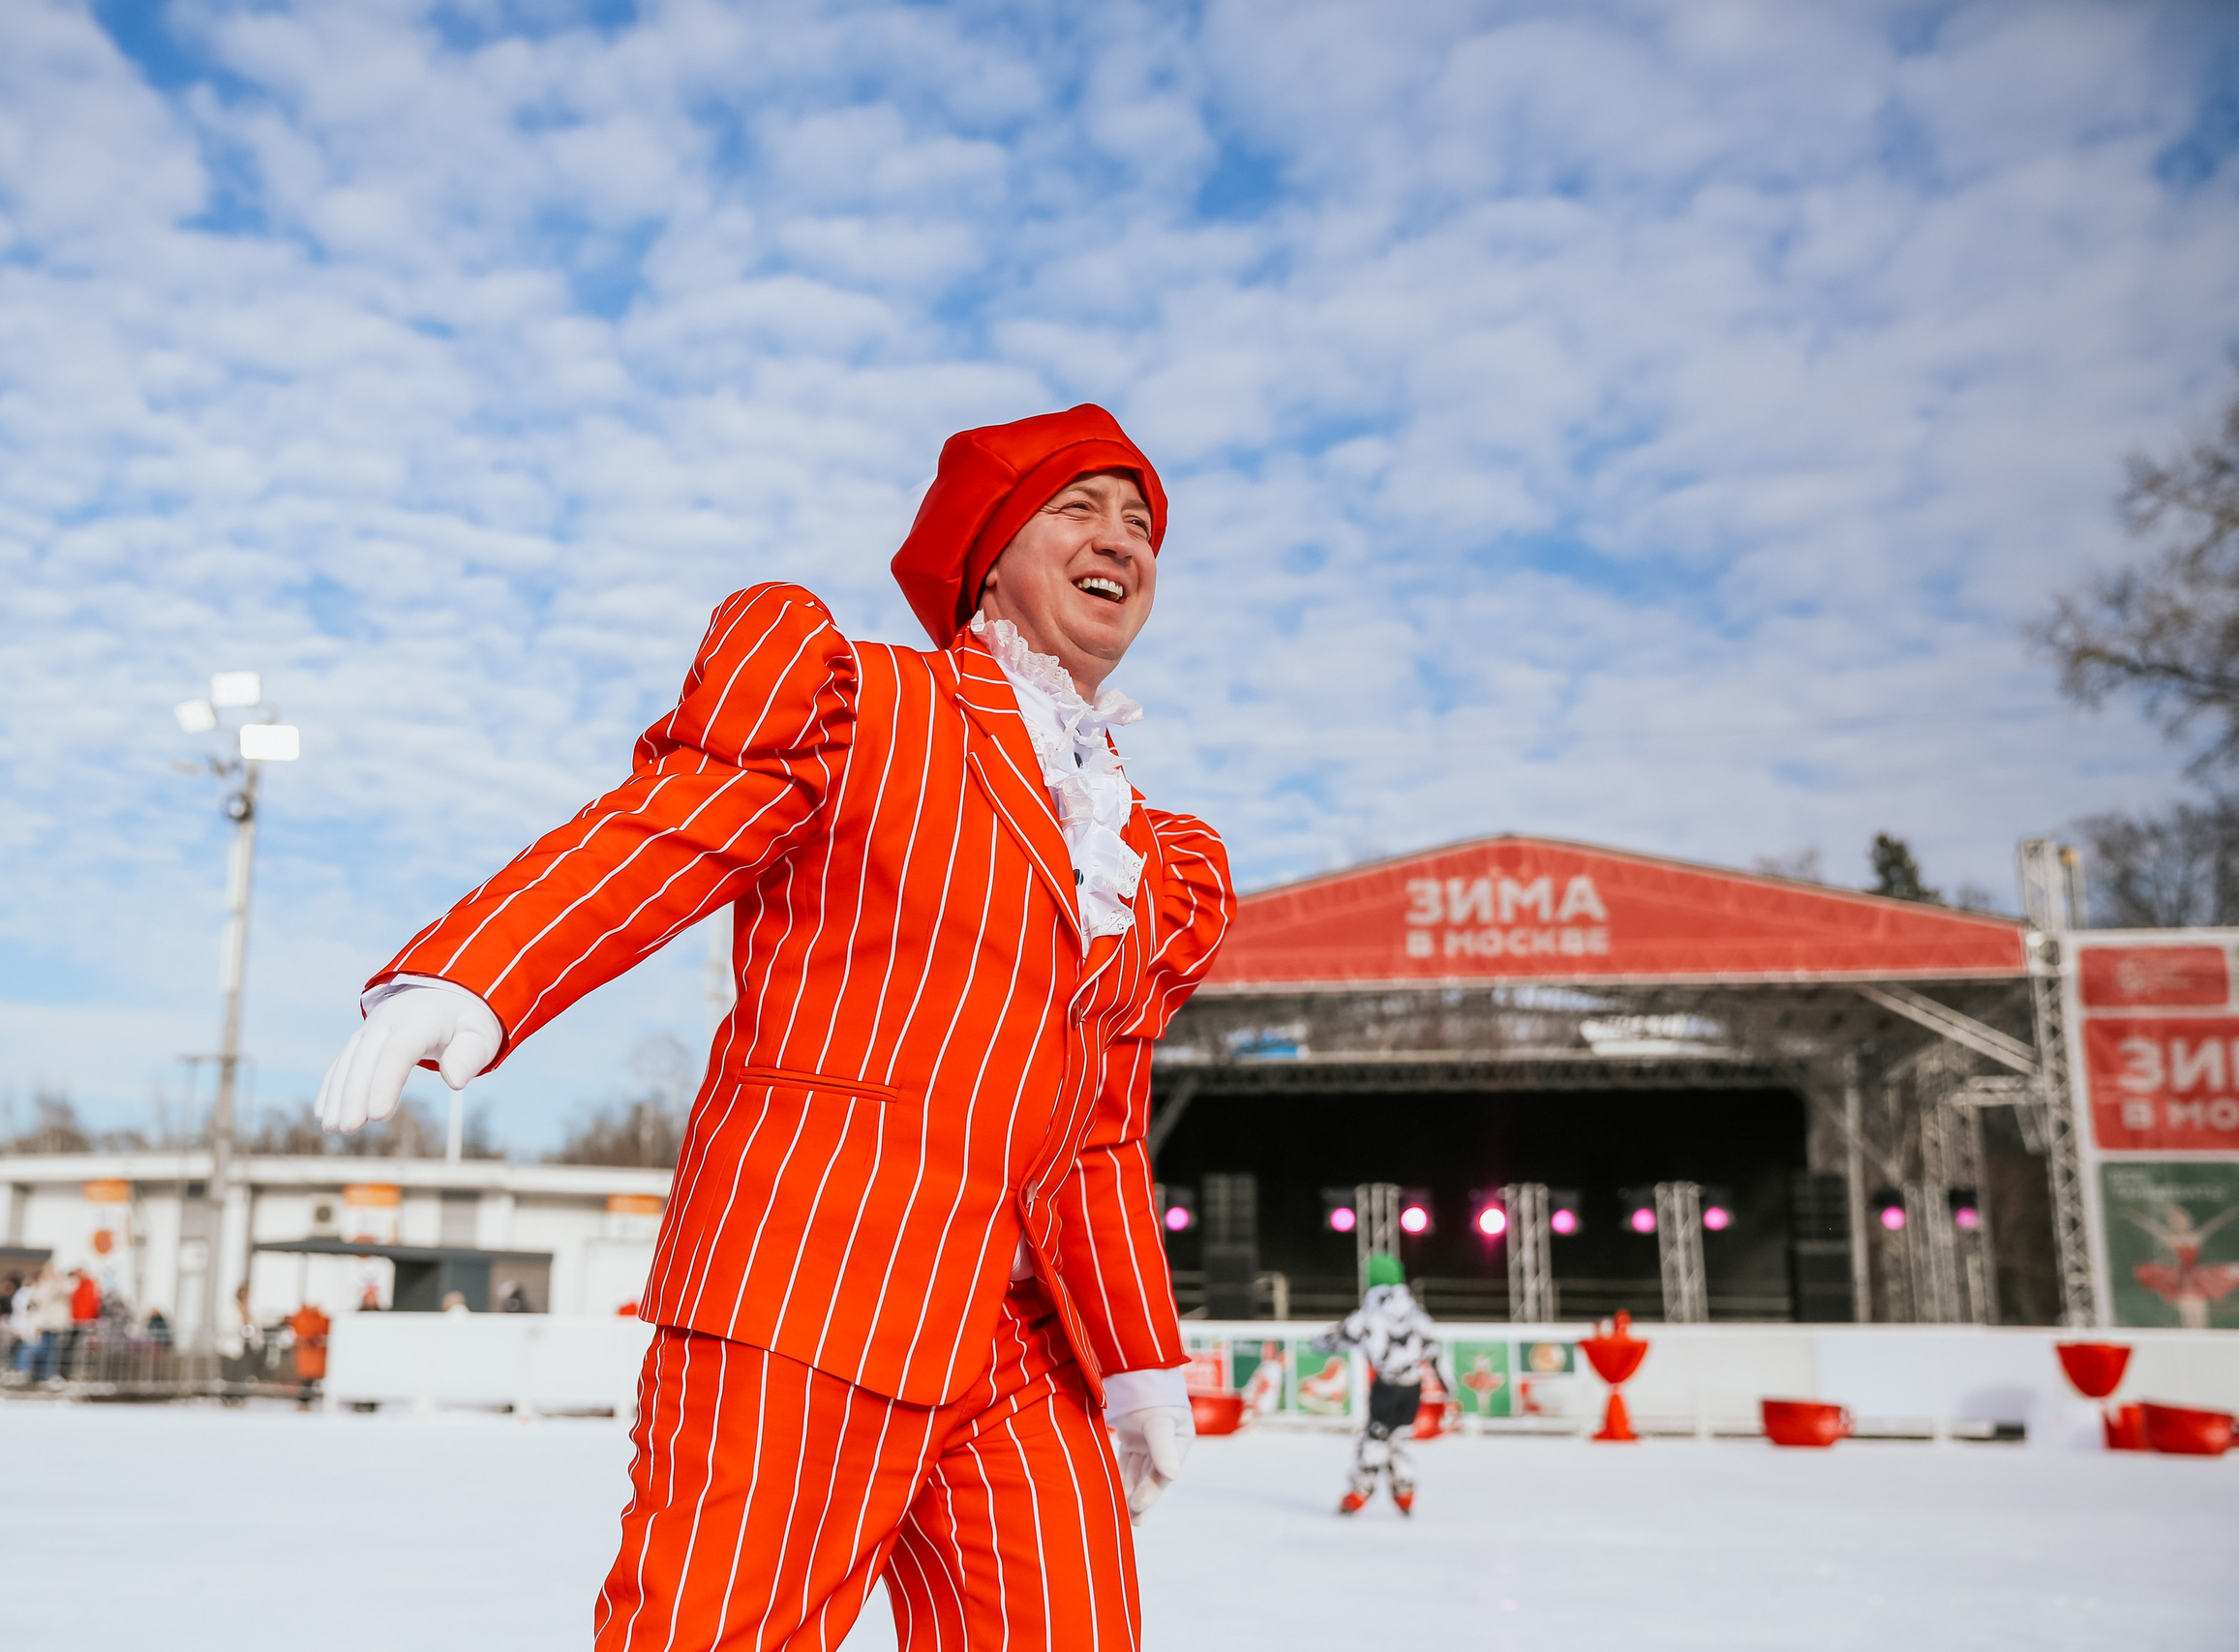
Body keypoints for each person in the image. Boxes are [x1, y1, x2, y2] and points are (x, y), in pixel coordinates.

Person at [315, 405, 1232, 1652]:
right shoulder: (865, 701)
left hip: (1015, 1346)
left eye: (1140, 522)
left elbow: (1099, 1126)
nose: (1119, 537)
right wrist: (477, 977)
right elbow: (670, 827)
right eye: (1077, 507)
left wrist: (1136, 1359)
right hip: (810, 1287)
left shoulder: (1148, 853)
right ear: (986, 552)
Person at [1316, 1254, 1441, 1517]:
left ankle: (1360, 1492)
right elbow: (1434, 1346)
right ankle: (1404, 1492)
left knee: (1375, 1437)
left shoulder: (1372, 1310)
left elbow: (1345, 1334)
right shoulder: (1413, 1309)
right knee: (1399, 1437)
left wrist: (1320, 1342)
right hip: (1412, 1386)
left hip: (1386, 1385)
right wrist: (1446, 1383)